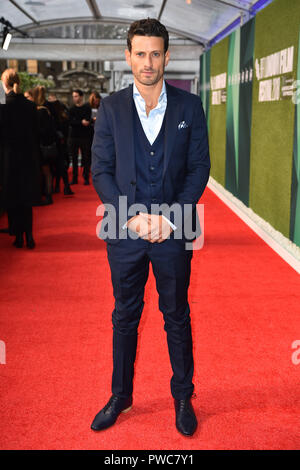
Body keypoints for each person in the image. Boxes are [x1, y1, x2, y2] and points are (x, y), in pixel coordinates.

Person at [90, 18, 210, 437]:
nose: (147, 61)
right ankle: (120, 395)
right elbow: (100, 171)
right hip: (124, 231)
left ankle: (182, 395)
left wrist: (170, 218)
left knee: (176, 314)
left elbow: (199, 169)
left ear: (166, 57)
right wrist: (131, 217)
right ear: (128, 57)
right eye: (139, 53)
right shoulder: (110, 108)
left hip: (173, 232)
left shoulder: (188, 107)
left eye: (155, 53)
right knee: (125, 315)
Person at [0, 69, 41, 248]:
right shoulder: (30, 106)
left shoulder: (3, 106)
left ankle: (18, 236)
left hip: (9, 159)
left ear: (5, 83)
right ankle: (30, 236)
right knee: (26, 200)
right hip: (28, 158)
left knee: (12, 198)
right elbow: (36, 134)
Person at [32, 86, 58, 205]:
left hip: (41, 146)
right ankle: (48, 194)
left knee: (44, 171)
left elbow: (40, 130)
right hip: (49, 145)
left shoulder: (38, 111)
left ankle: (46, 194)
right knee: (47, 172)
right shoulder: (48, 108)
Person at [69, 89, 92, 185]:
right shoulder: (71, 109)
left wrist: (79, 122)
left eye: (76, 96)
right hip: (74, 136)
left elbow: (88, 120)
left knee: (86, 157)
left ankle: (86, 177)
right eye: (73, 96)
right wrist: (80, 122)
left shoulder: (87, 107)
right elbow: (71, 122)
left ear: (81, 97)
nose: (74, 98)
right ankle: (74, 178)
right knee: (74, 158)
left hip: (85, 136)